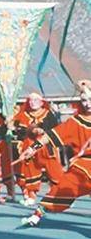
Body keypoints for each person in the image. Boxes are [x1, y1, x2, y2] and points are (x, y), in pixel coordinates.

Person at [21, 81, 91, 227]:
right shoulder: (76, 122)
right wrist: (33, 148)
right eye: (84, 100)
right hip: (83, 166)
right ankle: (38, 213)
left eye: (90, 99)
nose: (87, 103)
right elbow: (52, 135)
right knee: (63, 187)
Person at [11, 91, 60, 205]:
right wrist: (12, 125)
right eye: (30, 100)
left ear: (42, 102)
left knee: (54, 170)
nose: (33, 103)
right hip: (29, 146)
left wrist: (43, 131)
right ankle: (31, 194)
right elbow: (19, 131)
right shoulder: (23, 115)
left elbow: (55, 130)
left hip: (46, 146)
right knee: (29, 169)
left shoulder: (48, 114)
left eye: (36, 100)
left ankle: (62, 194)